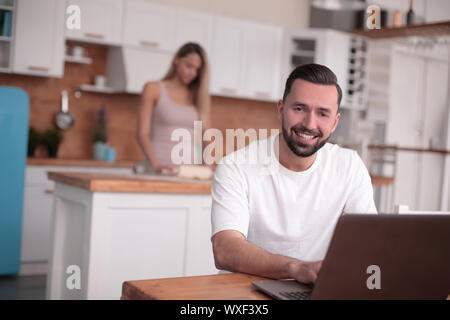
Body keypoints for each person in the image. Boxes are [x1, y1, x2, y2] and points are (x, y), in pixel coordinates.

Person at [211, 63, 377, 284]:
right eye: (299, 108)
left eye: (323, 114)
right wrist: (295, 268)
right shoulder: (236, 166)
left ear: (335, 122)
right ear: (281, 109)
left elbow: (369, 243)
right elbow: (225, 249)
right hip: (245, 292)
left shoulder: (350, 166)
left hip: (315, 292)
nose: (309, 124)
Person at [137, 42, 211, 174]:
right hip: (161, 168)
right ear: (176, 59)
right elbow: (142, 134)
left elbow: (207, 135)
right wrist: (156, 165)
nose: (192, 73)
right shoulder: (153, 89)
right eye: (189, 66)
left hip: (189, 172)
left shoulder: (198, 97)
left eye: (197, 70)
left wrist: (208, 163)